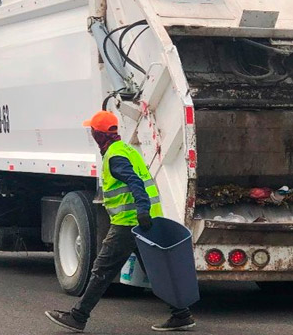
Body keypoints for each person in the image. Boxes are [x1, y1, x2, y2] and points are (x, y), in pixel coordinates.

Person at [45, 110, 196, 333]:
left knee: (102, 269)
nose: (92, 136)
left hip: (129, 223)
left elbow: (135, 183)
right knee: (154, 270)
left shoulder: (115, 157)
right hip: (144, 222)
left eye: (93, 132)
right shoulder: (126, 150)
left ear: (99, 136)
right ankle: (181, 314)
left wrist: (142, 209)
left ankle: (78, 316)